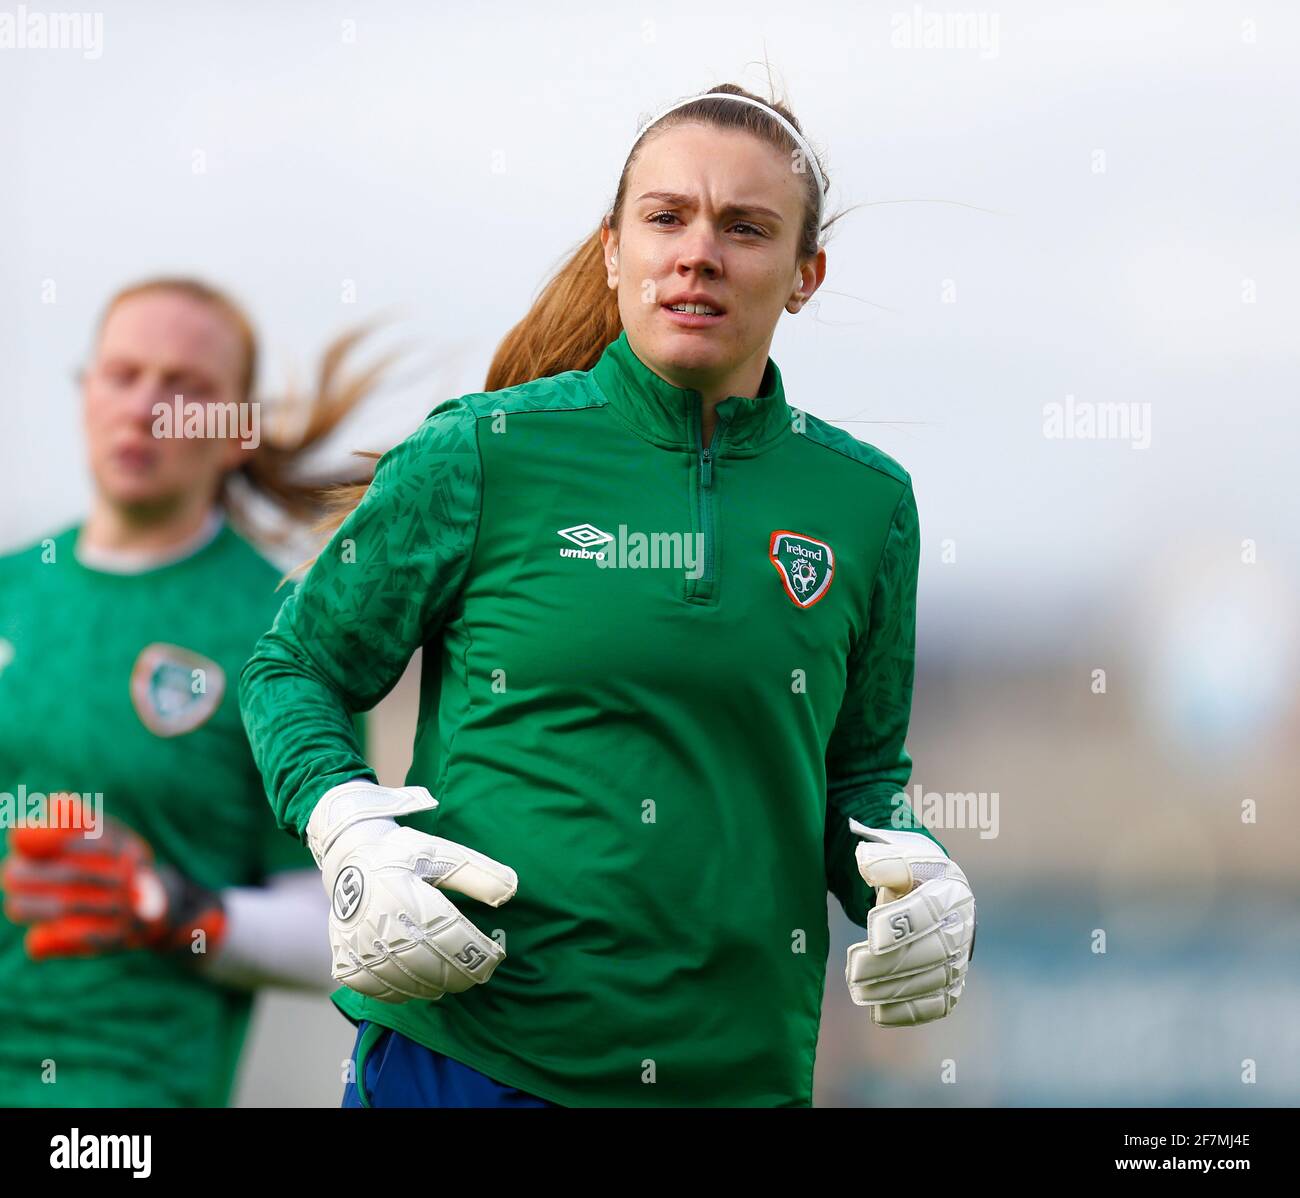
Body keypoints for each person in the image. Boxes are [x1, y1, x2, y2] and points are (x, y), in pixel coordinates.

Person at [239, 82, 977, 1110]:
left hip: (737, 1079)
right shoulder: (480, 453)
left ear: (805, 275)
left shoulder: (865, 503)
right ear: (611, 249)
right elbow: (294, 670)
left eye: (745, 227)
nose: (698, 252)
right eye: (666, 217)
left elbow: (858, 781)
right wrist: (345, 827)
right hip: (471, 1060)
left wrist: (921, 882)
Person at [0, 277, 382, 1106]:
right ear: (85, 391)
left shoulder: (288, 633)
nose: (146, 407)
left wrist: (182, 909)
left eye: (187, 387)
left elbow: (346, 926)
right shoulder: (12, 590)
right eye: (122, 373)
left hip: (121, 1094)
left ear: (237, 431)